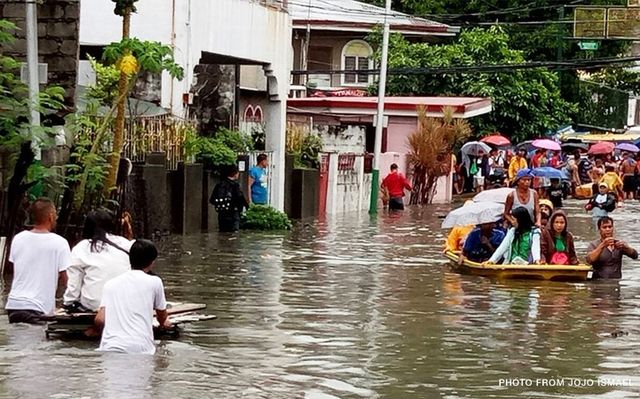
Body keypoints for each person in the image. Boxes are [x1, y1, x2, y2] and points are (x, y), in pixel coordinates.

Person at [95, 239, 171, 354]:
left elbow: (100, 320)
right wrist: (164, 323)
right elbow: (162, 316)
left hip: (109, 347)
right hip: (140, 348)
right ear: (152, 262)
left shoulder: (110, 284)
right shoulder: (155, 282)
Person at [5, 198, 71, 324]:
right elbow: (66, 280)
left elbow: (19, 271)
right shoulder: (60, 243)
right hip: (37, 307)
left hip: (14, 305)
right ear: (51, 216)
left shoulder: (18, 239)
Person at [63, 210, 134, 312]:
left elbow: (73, 285)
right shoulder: (124, 243)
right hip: (124, 304)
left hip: (93, 306)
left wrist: (68, 303)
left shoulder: (81, 248)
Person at [210, 165, 250, 232]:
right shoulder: (235, 185)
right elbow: (240, 198)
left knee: (222, 233)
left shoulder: (219, 185)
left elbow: (212, 200)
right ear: (235, 174)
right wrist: (246, 207)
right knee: (234, 234)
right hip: (233, 213)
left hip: (221, 214)